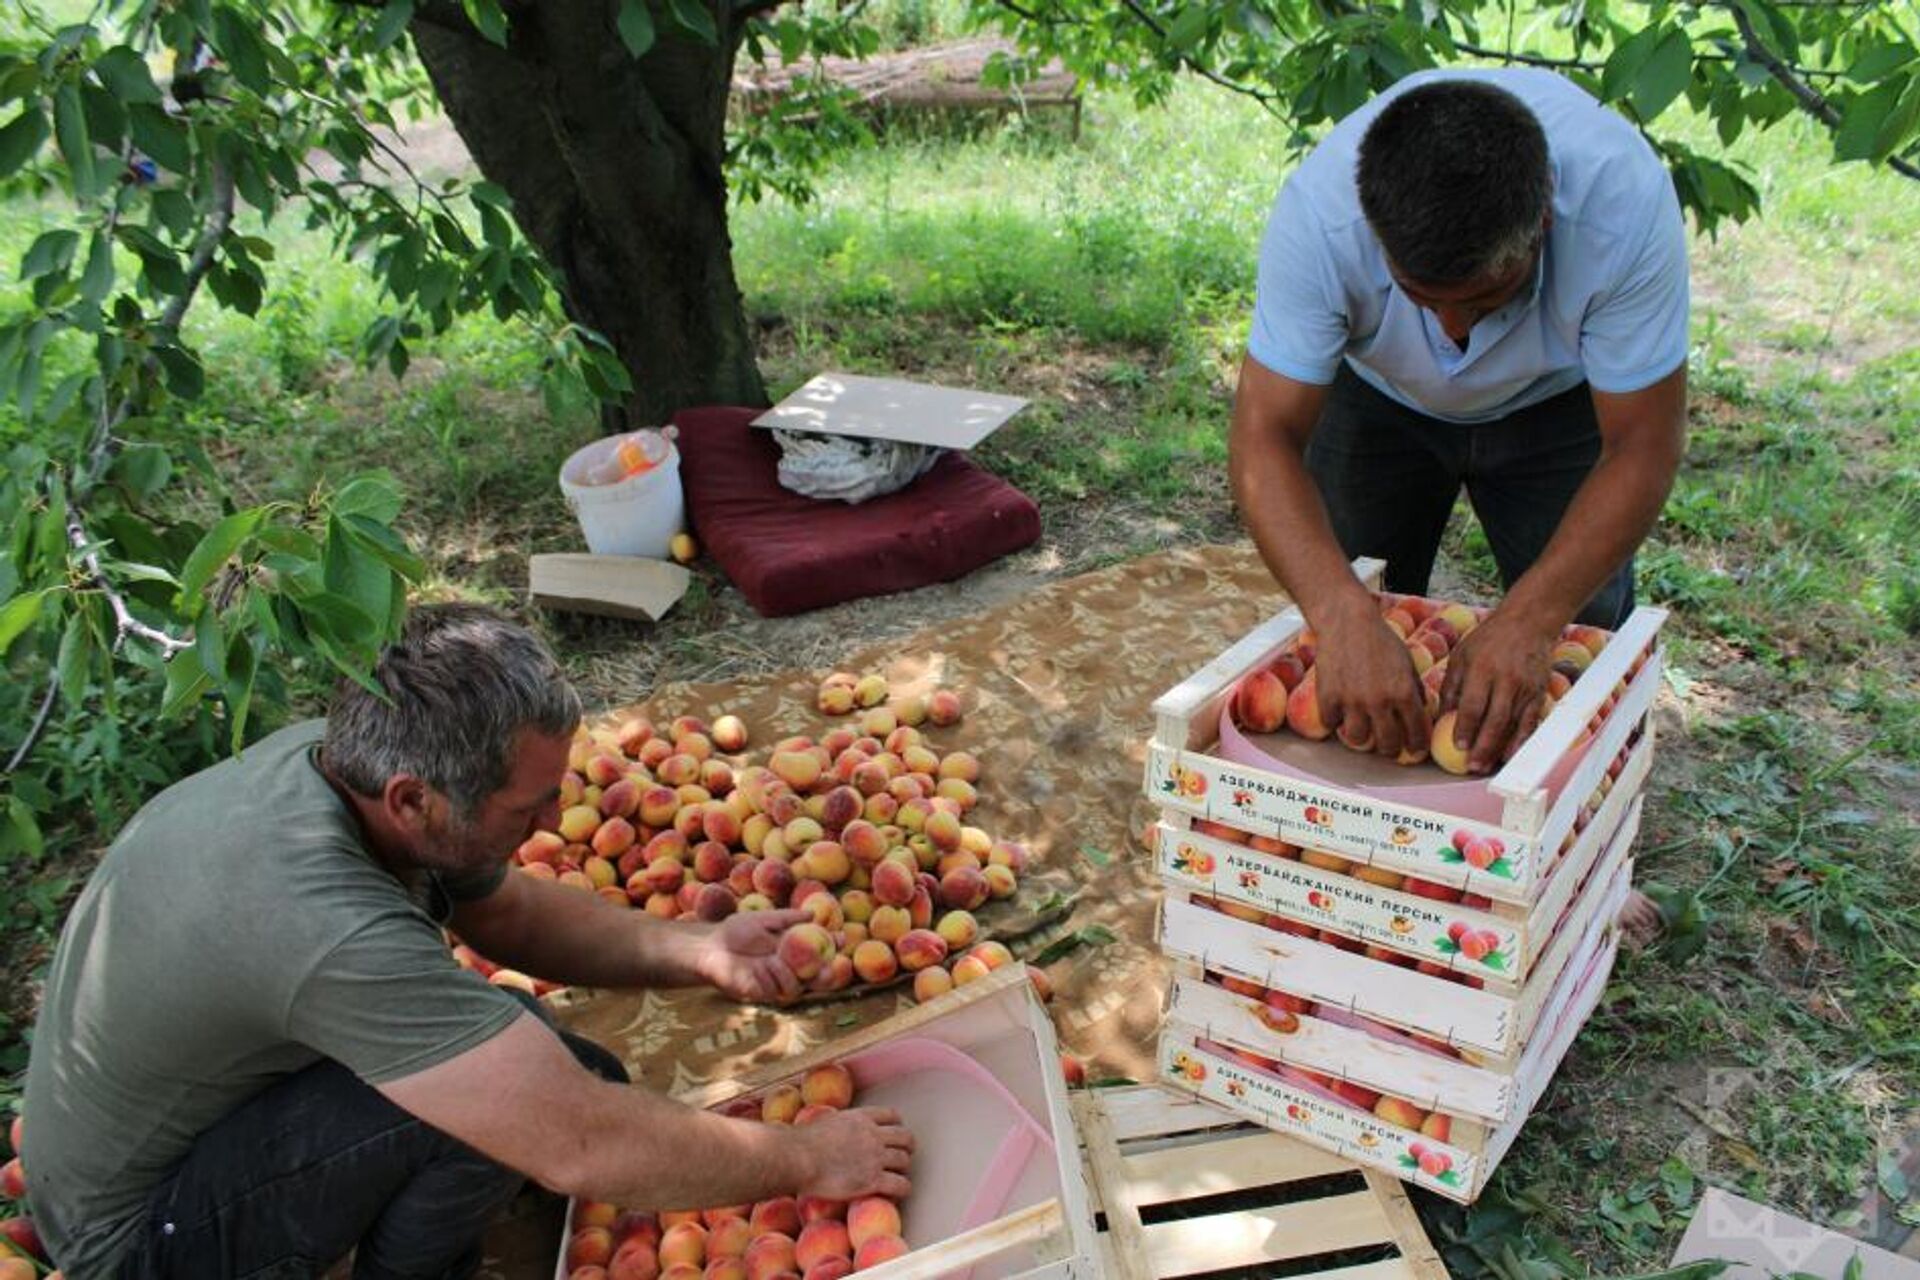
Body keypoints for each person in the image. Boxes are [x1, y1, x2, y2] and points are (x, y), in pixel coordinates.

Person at [22, 604, 913, 1280]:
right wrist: (806, 1159)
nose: (556, 821)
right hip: (135, 1243)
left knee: (566, 1073)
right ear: (414, 800)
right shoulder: (324, 923)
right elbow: (579, 1142)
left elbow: (508, 915)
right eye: (527, 809)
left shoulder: (344, 762)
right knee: (507, 1117)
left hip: (190, 1136)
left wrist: (699, 948)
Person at [1229, 69, 1688, 782]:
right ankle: (1366, 836)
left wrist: (1533, 619)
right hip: (1376, 394)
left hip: (1557, 401)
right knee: (1348, 629)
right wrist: (1340, 613)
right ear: (1376, 238)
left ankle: (1580, 861)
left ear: (1541, 228)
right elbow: (1264, 436)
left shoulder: (1620, 211)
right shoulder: (1321, 220)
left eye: (1484, 299)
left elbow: (1643, 444)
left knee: (1579, 629)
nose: (1451, 333)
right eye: (1420, 296)